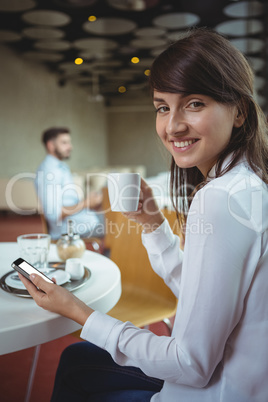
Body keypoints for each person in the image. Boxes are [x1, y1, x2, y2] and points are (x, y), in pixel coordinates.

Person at [20, 28, 268, 402]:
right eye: (163, 107)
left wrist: (80, 313)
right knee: (76, 359)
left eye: (195, 103)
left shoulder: (220, 200)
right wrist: (153, 225)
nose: (173, 125)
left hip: (214, 390)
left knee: (78, 365)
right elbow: (202, 298)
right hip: (229, 376)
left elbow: (191, 363)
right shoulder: (246, 183)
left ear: (240, 111)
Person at [35, 127, 104, 240]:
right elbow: (54, 214)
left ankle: (109, 256)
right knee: (123, 226)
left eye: (69, 142)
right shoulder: (49, 172)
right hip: (71, 229)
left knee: (121, 220)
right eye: (64, 143)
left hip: (83, 221)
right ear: (50, 145)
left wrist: (90, 203)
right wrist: (86, 203)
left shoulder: (61, 168)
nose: (70, 147)